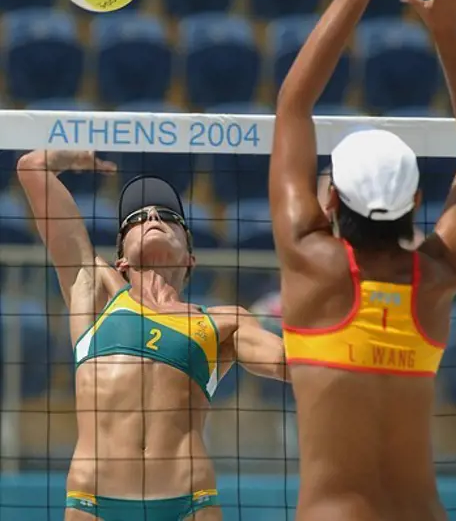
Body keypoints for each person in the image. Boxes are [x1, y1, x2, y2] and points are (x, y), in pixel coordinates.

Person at [270, 0, 456, 521]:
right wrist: (447, 34)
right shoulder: (436, 281)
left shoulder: (313, 265)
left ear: (330, 199)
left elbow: (293, 107)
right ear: (415, 201)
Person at [17, 154, 288, 521]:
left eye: (169, 217)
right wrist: (76, 156)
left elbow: (289, 363)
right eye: (137, 219)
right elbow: (32, 168)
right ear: (121, 261)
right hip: (93, 505)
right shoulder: (94, 291)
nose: (154, 218)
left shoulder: (225, 322)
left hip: (190, 505)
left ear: (191, 258)